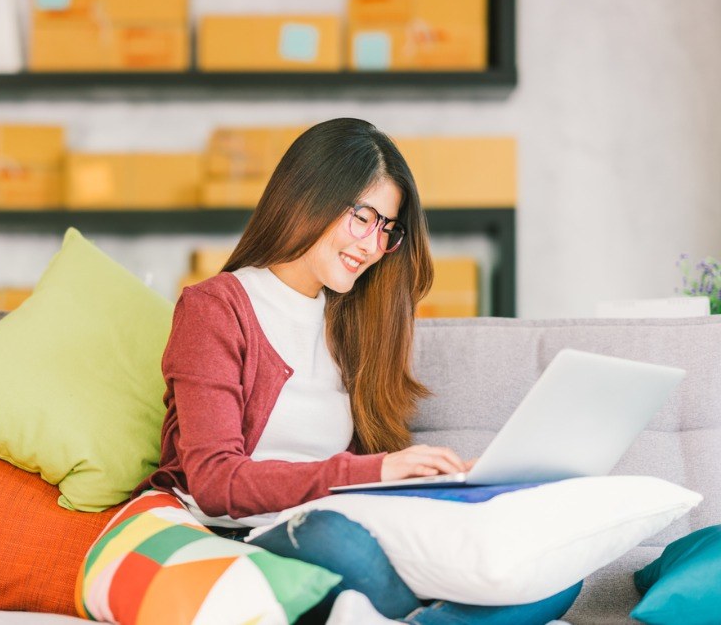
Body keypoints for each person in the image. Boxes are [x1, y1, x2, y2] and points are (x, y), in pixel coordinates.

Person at [133, 118, 581, 624]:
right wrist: (377, 471)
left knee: (556, 567)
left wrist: (447, 484)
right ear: (308, 195)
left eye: (386, 229)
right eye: (363, 218)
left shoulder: (354, 319)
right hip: (238, 534)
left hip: (342, 520)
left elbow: (358, 472)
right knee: (336, 539)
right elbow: (216, 482)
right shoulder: (216, 308)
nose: (371, 246)